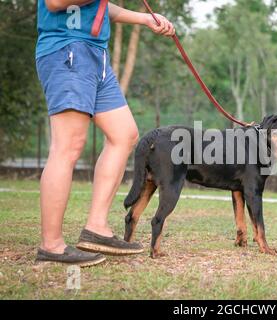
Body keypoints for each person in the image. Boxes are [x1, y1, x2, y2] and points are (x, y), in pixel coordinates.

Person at [35, 0, 175, 267]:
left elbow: (99, 7)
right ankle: (51, 245)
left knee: (124, 134)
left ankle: (96, 227)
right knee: (68, 145)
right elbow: (55, 2)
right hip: (68, 48)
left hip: (96, 55)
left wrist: (145, 18)